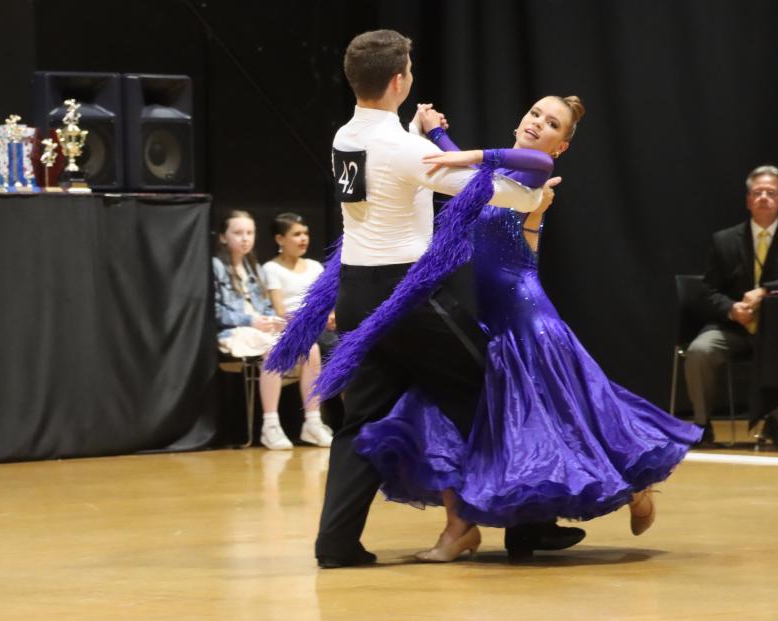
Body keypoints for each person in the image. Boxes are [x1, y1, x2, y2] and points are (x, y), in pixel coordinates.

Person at [353, 95, 704, 562]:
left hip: (530, 322)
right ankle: (463, 529)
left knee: (577, 418)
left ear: (560, 146)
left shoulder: (537, 170)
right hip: (494, 321)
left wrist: (466, 151)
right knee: (486, 418)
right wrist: (436, 132)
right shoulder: (497, 180)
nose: (538, 123)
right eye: (536, 113)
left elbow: (500, 163)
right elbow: (467, 177)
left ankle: (636, 487)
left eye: (552, 123)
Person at [287, 30, 581, 569]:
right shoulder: (405, 148)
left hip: (358, 296)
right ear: (400, 80)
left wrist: (434, 136)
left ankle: (336, 543)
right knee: (496, 389)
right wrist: (537, 192)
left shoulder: (344, 138)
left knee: (361, 423)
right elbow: (508, 191)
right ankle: (528, 524)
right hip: (409, 301)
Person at [684, 166, 778, 447]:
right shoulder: (724, 240)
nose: (763, 198)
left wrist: (765, 291)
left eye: (771, 193)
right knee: (700, 350)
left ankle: (777, 425)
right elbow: (708, 290)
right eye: (757, 192)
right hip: (733, 326)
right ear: (748, 200)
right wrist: (732, 309)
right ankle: (701, 426)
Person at [212, 210, 333, 450]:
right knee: (274, 348)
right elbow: (215, 310)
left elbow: (263, 305)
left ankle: (312, 421)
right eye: (238, 233)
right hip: (234, 331)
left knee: (311, 348)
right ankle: (270, 424)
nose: (245, 238)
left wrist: (270, 319)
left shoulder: (252, 266)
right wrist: (252, 319)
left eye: (249, 233)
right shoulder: (217, 266)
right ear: (224, 237)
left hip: (259, 329)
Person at [263, 212, 342, 428]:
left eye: (305, 233)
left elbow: (329, 301)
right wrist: (314, 320)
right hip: (295, 329)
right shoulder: (272, 269)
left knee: (350, 355)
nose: (303, 239)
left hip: (323, 327)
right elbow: (280, 310)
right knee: (328, 351)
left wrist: (332, 315)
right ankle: (314, 422)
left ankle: (348, 419)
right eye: (296, 234)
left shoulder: (315, 266)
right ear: (280, 239)